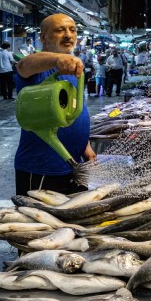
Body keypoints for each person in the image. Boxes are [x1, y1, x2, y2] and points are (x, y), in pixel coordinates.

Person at [13, 13, 96, 196]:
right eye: (60, 30)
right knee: (41, 224)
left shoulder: (72, 70)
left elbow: (74, 109)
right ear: (43, 37)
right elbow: (23, 65)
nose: (68, 35)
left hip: (74, 166)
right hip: (42, 170)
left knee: (71, 222)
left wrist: (85, 145)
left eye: (72, 30)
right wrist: (56, 59)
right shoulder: (37, 70)